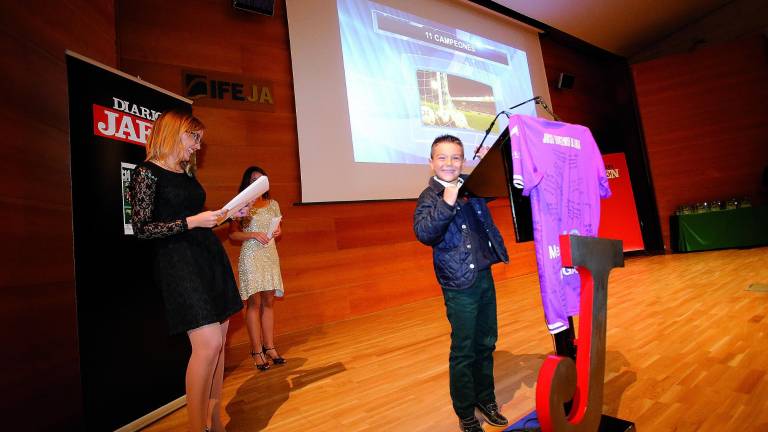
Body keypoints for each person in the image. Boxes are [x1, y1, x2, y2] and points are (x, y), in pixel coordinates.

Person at [129, 109, 243, 432]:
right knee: (207, 343)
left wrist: (227, 214)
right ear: (173, 131)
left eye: (199, 141)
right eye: (193, 137)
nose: (197, 146)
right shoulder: (146, 173)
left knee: (219, 340)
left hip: (208, 256)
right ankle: (196, 427)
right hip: (178, 263)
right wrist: (192, 221)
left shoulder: (186, 173)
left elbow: (197, 216)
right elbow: (142, 228)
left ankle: (215, 421)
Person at [413, 135, 510, 432]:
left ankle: (486, 399)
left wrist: (489, 161)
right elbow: (424, 233)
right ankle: (465, 412)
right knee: (465, 348)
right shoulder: (429, 197)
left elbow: (500, 181)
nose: (449, 163)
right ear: (431, 162)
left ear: (463, 161)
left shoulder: (472, 188)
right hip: (458, 283)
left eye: (455, 157)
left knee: (486, 343)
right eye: (442, 158)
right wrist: (447, 202)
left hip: (483, 277)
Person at [229, 166, 286, 371]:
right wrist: (252, 234)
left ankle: (269, 347)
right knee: (254, 303)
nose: (257, 183)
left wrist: (277, 231)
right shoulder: (242, 205)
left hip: (270, 255)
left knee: (269, 302)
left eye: (261, 180)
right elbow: (233, 234)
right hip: (251, 256)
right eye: (253, 180)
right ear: (247, 183)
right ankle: (256, 351)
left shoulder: (273, 204)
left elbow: (277, 228)